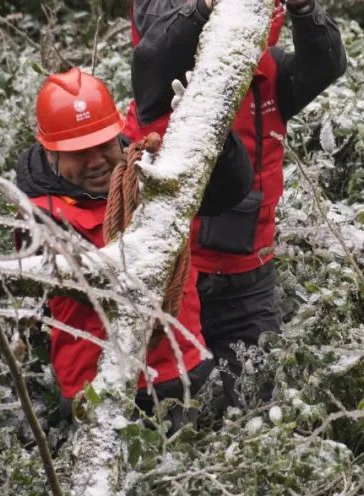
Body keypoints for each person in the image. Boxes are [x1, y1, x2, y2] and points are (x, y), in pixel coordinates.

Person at [122, 0, 364, 408]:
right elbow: (155, 46)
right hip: (179, 267)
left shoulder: (270, 74)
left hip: (248, 276)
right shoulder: (162, 9)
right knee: (179, 411)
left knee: (256, 408)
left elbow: (326, 58)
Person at [14, 67, 252, 430]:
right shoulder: (40, 216)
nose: (95, 162)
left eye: (103, 145)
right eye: (79, 152)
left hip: (184, 369)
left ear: (118, 134)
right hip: (96, 389)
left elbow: (228, 191)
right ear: (51, 153)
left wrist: (213, 132)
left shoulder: (152, 167)